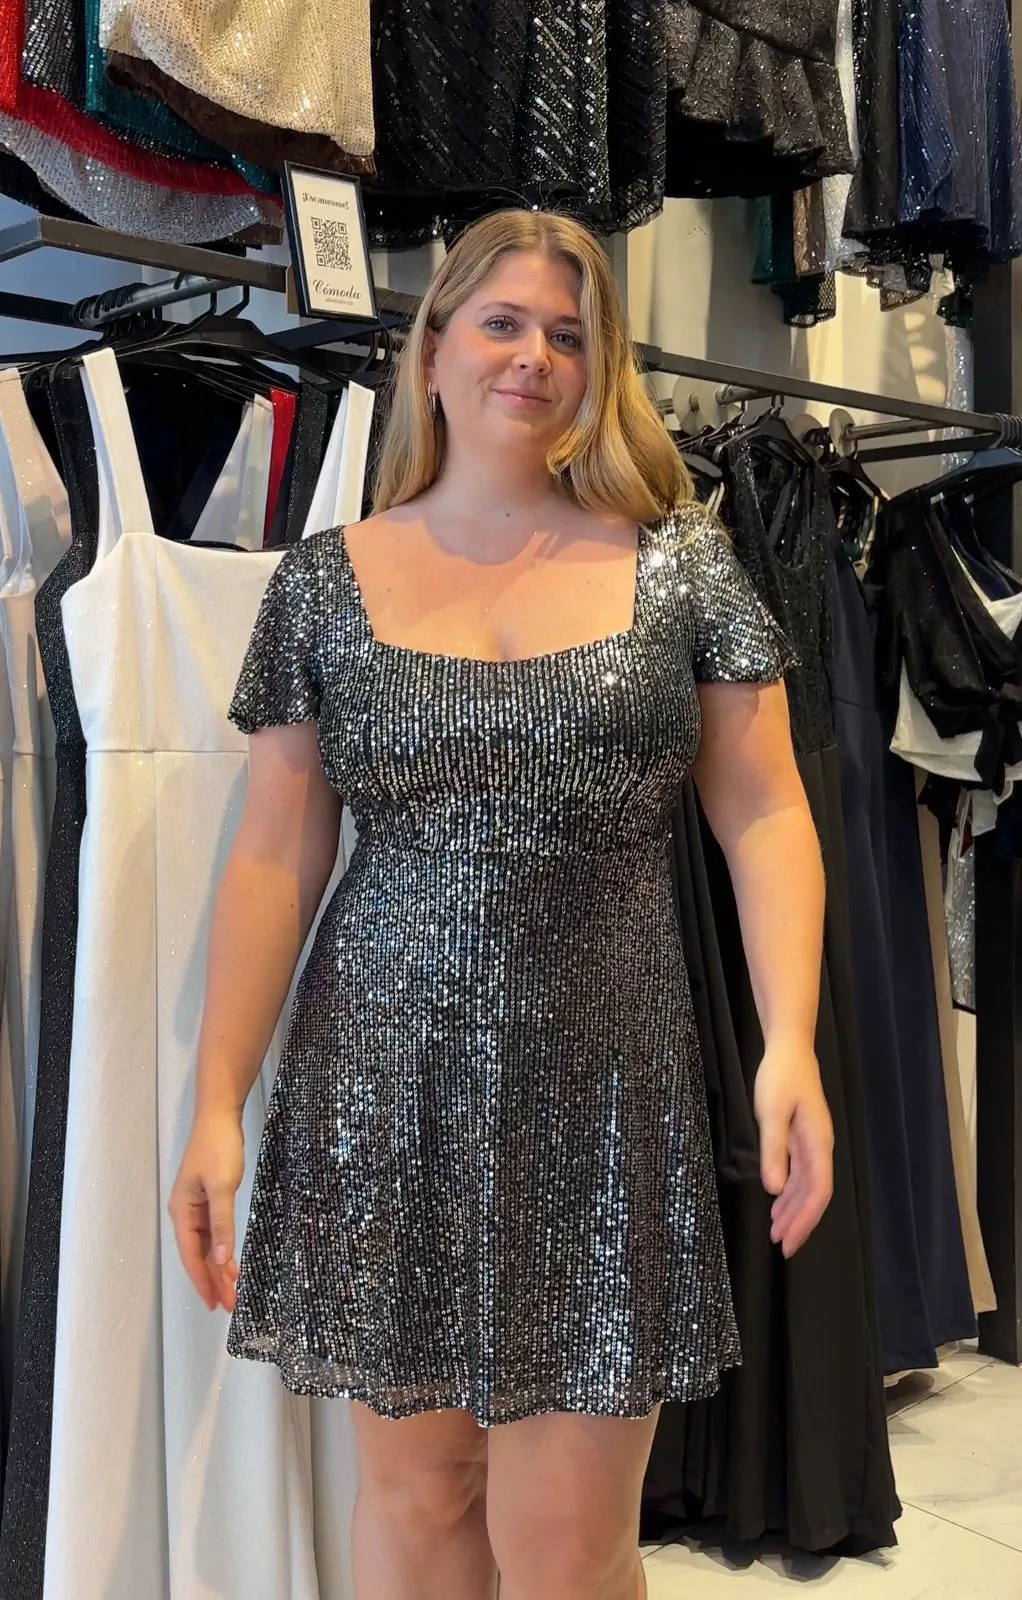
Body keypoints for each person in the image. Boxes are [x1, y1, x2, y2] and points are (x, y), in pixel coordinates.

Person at [169, 208, 834, 1600]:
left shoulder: (679, 564)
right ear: (433, 349)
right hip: (381, 1084)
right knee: (418, 1502)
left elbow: (766, 810)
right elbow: (272, 854)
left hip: (607, 1090)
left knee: (569, 1544)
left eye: (569, 335)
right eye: (503, 322)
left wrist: (791, 1044)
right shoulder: (325, 582)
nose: (534, 356)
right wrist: (217, 1101)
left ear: (602, 369)